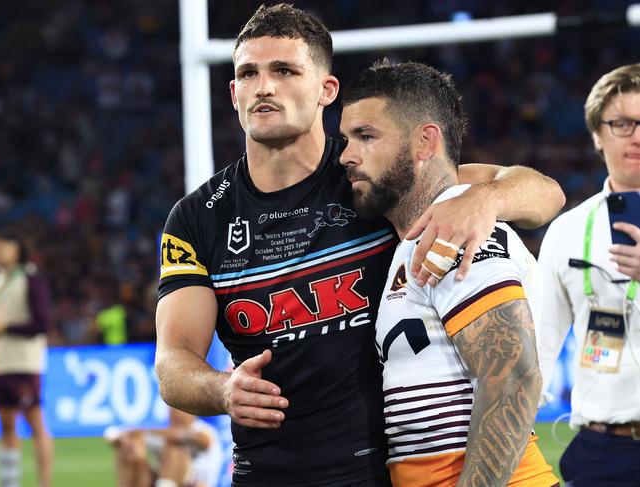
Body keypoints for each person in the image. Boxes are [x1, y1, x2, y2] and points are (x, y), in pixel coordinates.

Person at [155, 4, 565, 486]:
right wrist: (221, 389)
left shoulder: (372, 178)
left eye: (284, 70)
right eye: (249, 73)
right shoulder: (197, 218)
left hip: (376, 471)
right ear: (233, 93)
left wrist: (485, 198)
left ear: (327, 89)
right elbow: (172, 363)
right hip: (267, 472)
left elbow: (545, 193)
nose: (264, 86)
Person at [338, 60, 559, 486]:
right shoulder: (429, 227)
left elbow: (513, 377)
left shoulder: (456, 226)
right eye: (347, 138)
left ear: (424, 143)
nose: (347, 155)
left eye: (366, 136)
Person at [538, 63, 640, 486]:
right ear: (597, 134)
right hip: (603, 454)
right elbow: (539, 350)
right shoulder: (567, 231)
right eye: (622, 123)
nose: (637, 135)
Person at [0, 228, 53, 487]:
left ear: (17, 249)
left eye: (2, 245)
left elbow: (42, 323)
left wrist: (5, 327)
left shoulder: (30, 280)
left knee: (36, 424)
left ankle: (44, 484)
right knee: (6, 426)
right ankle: (9, 483)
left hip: (24, 363)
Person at [105, 406, 223, 487]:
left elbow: (204, 441)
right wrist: (122, 441)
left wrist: (162, 433)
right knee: (128, 451)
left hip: (195, 484)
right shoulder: (161, 431)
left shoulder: (203, 430)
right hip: (161, 480)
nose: (173, 412)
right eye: (172, 408)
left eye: (179, 408)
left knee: (174, 448)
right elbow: (113, 436)